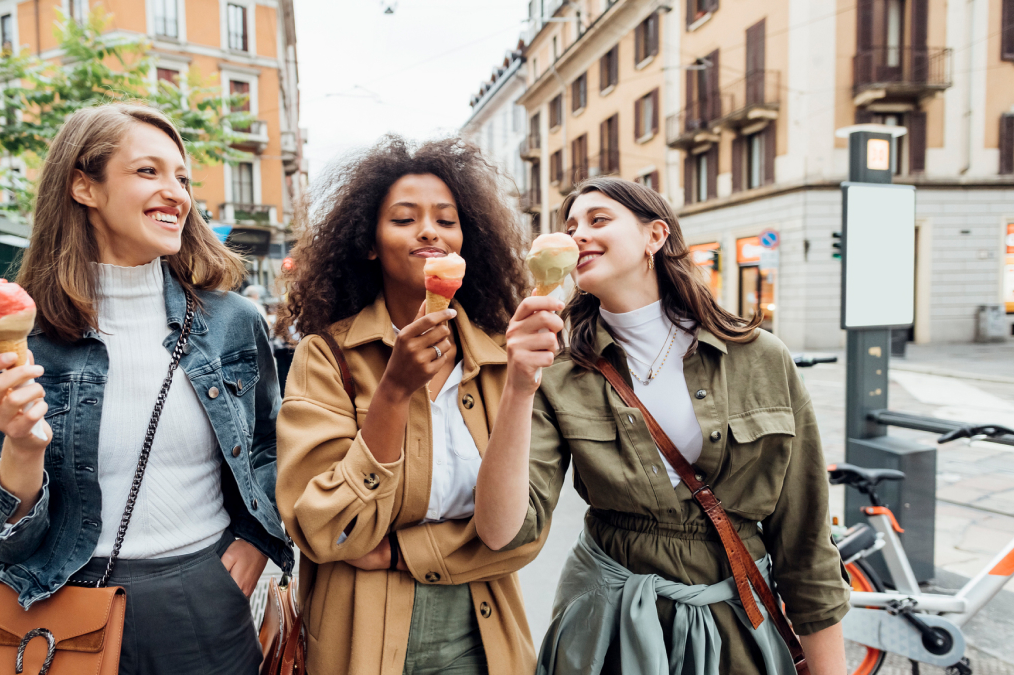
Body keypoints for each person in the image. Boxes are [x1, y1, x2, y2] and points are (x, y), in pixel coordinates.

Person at [474, 177, 850, 675]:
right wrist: (519, 386)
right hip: (606, 629)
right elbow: (503, 532)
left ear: (655, 236)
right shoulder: (559, 371)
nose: (578, 234)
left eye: (599, 220)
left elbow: (805, 539)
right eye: (570, 226)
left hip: (737, 626)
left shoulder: (758, 357)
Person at [0, 103, 292, 675]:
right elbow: (0, 541)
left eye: (182, 177)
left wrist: (253, 540)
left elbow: (270, 445)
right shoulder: (25, 336)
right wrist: (22, 446)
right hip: (63, 603)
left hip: (205, 596)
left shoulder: (231, 322)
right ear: (83, 186)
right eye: (148, 172)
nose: (176, 194)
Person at [274, 135, 548, 675]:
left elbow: (525, 529)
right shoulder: (327, 356)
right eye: (404, 219)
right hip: (361, 635)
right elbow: (323, 531)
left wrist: (401, 554)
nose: (429, 230)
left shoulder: (504, 357)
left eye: (446, 220)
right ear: (370, 242)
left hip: (484, 634)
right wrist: (394, 391)